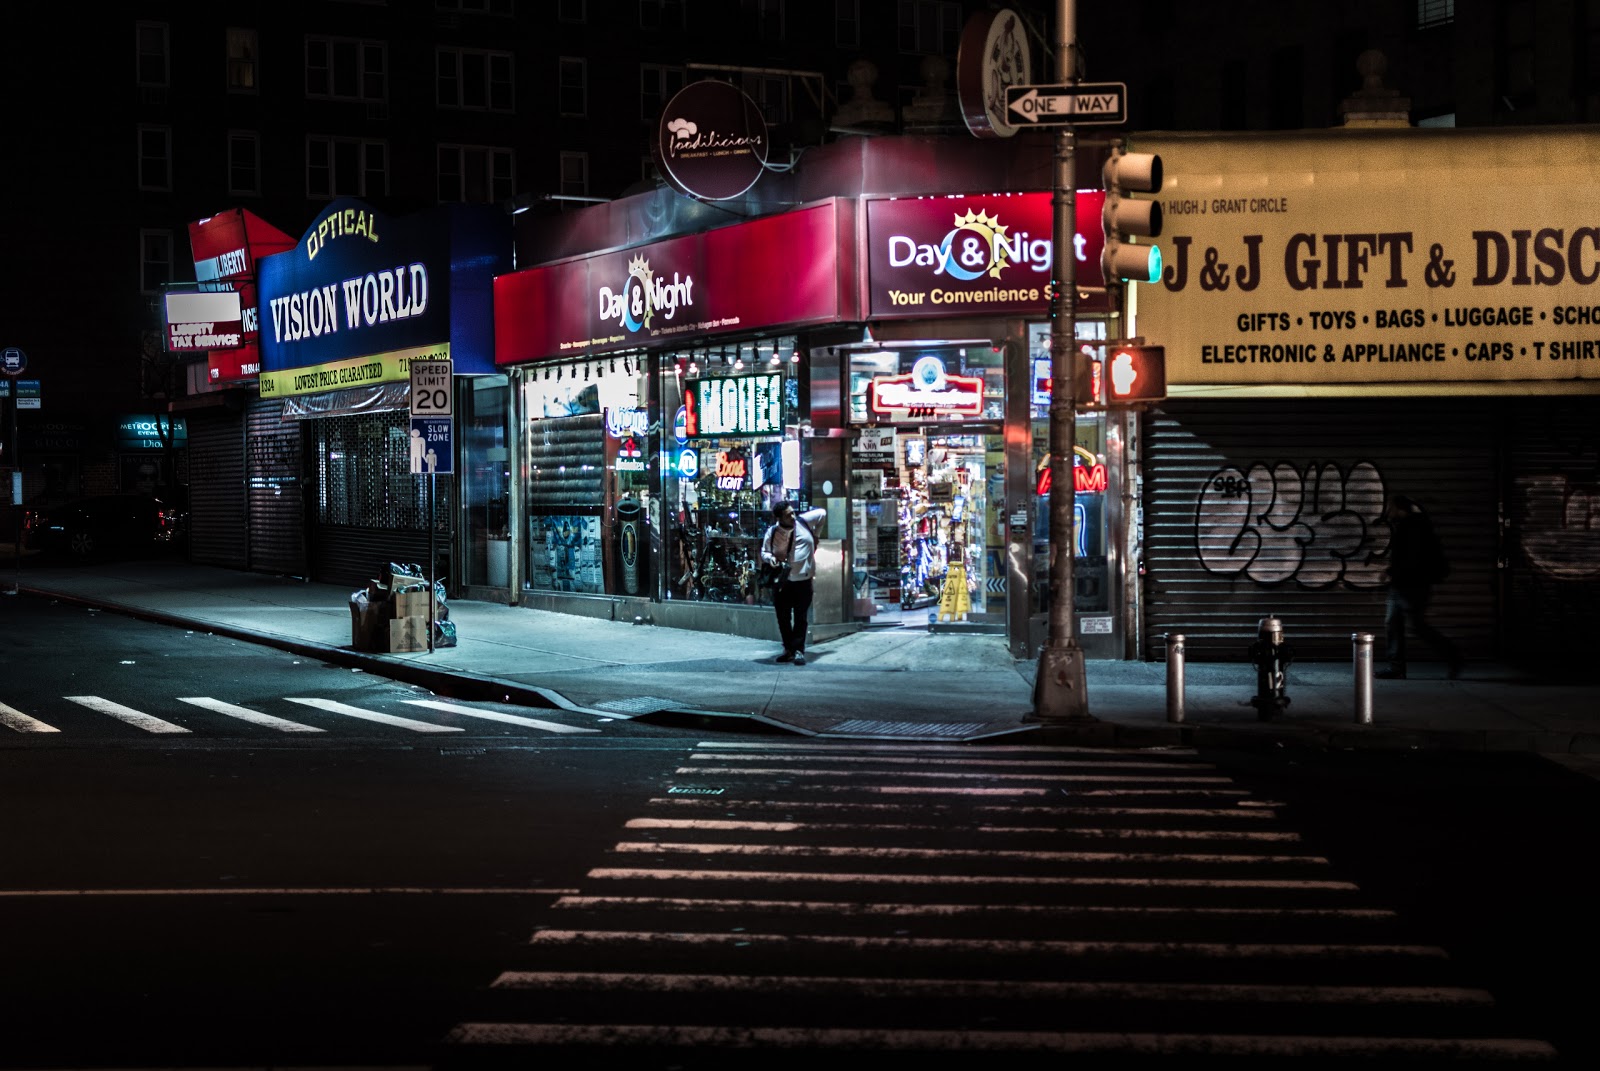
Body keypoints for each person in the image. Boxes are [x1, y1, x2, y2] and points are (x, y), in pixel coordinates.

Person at [1377, 493, 1462, 680]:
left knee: (1417, 627)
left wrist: (1390, 572)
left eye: (1390, 508)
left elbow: (1412, 559)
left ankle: (1453, 656)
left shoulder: (1414, 528)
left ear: (1400, 509)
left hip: (1413, 586)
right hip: (1400, 585)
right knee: (1393, 624)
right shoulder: (1407, 526)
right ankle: (1396, 668)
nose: (1387, 512)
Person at [761, 501, 826, 665]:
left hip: (803, 580)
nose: (792, 516)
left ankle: (798, 650)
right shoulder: (773, 532)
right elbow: (764, 551)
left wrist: (816, 535)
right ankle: (788, 649)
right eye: (788, 515)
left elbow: (822, 513)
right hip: (783, 581)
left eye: (792, 512)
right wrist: (772, 559)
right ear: (779, 518)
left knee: (800, 617)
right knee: (783, 618)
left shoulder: (803, 522)